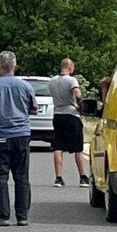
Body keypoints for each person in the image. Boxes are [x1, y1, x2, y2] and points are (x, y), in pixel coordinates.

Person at [0, 51, 37, 227]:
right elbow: (34, 109)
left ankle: (2, 215)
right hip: (21, 135)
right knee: (22, 177)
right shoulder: (25, 86)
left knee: (0, 177)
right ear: (15, 66)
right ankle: (22, 216)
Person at [49, 58, 89, 188]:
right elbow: (77, 93)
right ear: (70, 67)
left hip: (58, 115)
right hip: (71, 115)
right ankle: (83, 177)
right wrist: (81, 103)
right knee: (78, 148)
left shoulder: (52, 81)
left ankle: (58, 177)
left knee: (58, 147)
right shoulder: (72, 80)